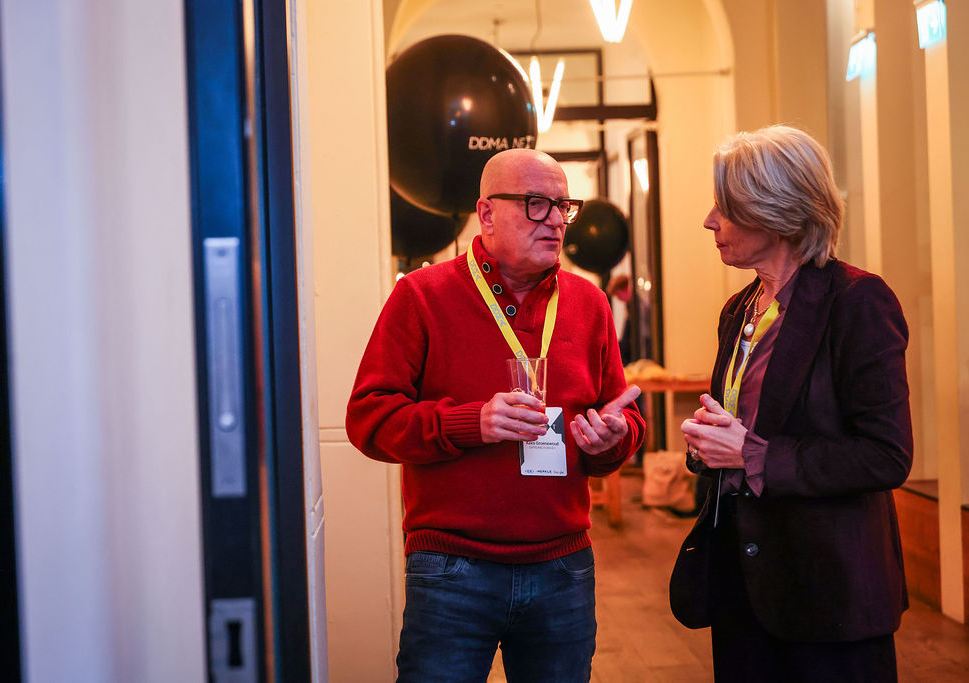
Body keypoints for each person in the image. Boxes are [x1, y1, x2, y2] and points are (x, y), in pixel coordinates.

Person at [347, 148, 645, 682]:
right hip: (452, 567)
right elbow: (369, 419)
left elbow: (619, 418)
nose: (555, 220)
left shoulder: (589, 303)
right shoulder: (421, 296)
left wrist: (613, 439)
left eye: (563, 205)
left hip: (563, 565)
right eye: (535, 204)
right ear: (486, 214)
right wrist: (473, 423)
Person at [669, 125, 912, 681]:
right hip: (743, 585)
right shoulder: (740, 308)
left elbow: (886, 456)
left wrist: (752, 455)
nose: (709, 221)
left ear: (775, 210)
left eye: (724, 207)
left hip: (828, 593)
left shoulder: (857, 302)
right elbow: (742, 431)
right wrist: (709, 446)